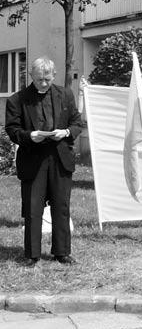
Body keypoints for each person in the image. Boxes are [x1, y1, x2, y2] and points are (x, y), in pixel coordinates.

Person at [5, 57, 83, 267]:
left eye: (47, 79)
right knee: (33, 208)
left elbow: (77, 122)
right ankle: (32, 254)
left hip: (60, 159)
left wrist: (66, 132)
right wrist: (30, 136)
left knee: (61, 206)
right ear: (31, 76)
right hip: (33, 158)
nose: (43, 83)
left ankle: (62, 252)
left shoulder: (65, 94)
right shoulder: (17, 100)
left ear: (54, 76)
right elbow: (12, 130)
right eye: (39, 79)